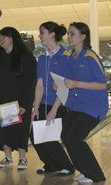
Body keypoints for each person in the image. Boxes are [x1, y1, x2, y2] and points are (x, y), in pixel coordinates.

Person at [61, 22, 108, 183]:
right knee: (66, 136)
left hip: (94, 107)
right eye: (68, 33)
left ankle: (96, 175)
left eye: (72, 33)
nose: (69, 36)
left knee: (74, 138)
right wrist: (61, 83)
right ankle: (84, 170)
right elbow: (70, 81)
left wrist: (76, 84)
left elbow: (103, 84)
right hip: (77, 105)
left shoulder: (90, 56)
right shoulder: (72, 57)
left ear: (83, 36)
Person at [0, 27, 37, 170]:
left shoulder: (26, 57)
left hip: (21, 102)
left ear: (13, 38)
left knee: (21, 130)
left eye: (4, 36)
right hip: (5, 102)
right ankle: (8, 158)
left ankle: (22, 159)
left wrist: (25, 104)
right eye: (0, 36)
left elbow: (30, 83)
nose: (1, 39)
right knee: (5, 130)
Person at [30, 21, 74, 176]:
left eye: (42, 32)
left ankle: (67, 166)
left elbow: (64, 86)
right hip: (44, 103)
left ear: (52, 34)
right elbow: (40, 85)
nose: (39, 35)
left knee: (49, 136)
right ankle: (51, 164)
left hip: (61, 104)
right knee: (34, 134)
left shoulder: (65, 56)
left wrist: (54, 109)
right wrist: (35, 108)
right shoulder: (42, 59)